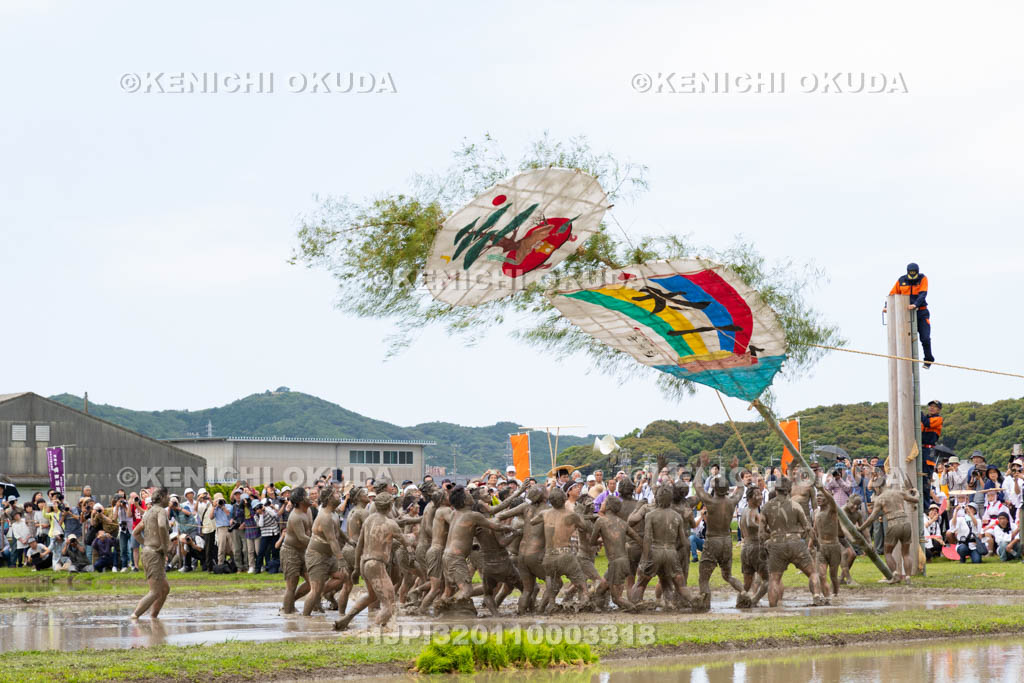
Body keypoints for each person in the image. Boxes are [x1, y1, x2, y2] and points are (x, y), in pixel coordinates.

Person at [760, 477, 826, 607]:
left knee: (774, 579)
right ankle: (816, 596)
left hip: (776, 544)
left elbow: (761, 533)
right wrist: (817, 543)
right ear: (789, 490)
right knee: (812, 572)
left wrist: (763, 548)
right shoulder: (795, 506)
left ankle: (773, 606)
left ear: (775, 489)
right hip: (796, 543)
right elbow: (808, 528)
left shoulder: (766, 508)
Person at [131, 488, 171, 619]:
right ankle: (134, 617)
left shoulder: (147, 513)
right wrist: (164, 545)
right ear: (162, 498)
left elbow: (135, 532)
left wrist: (146, 544)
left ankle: (154, 617)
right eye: (168, 496)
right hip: (154, 553)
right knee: (154, 592)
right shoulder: (160, 511)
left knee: (164, 589)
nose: (170, 499)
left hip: (149, 552)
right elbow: (161, 526)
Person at [885, 262, 934, 367]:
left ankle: (928, 359)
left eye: (914, 273)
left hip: (921, 312)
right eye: (910, 273)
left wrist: (915, 305)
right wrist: (886, 306)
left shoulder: (922, 279)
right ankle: (907, 364)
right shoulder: (901, 280)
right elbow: (892, 294)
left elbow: (923, 294)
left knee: (925, 338)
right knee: (906, 339)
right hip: (906, 314)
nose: (912, 275)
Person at [281, 487, 313, 614]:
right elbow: (302, 538)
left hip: (302, 552)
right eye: (306, 496)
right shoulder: (295, 516)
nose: (309, 497)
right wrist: (321, 545)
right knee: (291, 586)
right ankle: (288, 615)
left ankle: (288, 603)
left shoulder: (308, 511)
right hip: (290, 552)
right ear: (300, 500)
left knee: (313, 583)